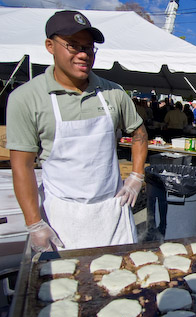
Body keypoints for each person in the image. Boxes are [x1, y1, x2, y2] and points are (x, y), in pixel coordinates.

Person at [6, 10, 148, 252]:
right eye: (73, 46)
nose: (83, 54)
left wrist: (136, 176)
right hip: (64, 218)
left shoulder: (112, 92)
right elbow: (22, 165)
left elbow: (139, 132)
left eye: (89, 48)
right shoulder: (26, 98)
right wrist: (34, 223)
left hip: (112, 212)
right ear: (50, 45)